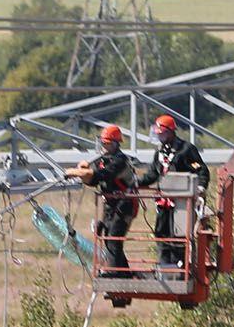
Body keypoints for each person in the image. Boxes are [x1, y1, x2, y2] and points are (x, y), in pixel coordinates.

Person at [68, 123, 141, 279]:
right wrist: (84, 174)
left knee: (113, 238)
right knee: (109, 238)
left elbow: (104, 175)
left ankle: (115, 273)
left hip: (125, 204)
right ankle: (123, 273)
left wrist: (81, 172)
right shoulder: (103, 160)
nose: (104, 147)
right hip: (111, 204)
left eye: (107, 144)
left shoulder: (120, 161)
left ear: (115, 144)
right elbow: (94, 181)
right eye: (103, 143)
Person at [142, 112, 209, 269]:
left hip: (180, 201)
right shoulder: (159, 153)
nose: (159, 137)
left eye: (162, 134)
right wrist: (135, 183)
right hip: (163, 201)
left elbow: (202, 171)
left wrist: (200, 187)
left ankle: (180, 266)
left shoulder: (186, 150)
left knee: (178, 234)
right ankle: (165, 265)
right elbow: (152, 175)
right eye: (158, 134)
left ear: (170, 132)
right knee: (161, 232)